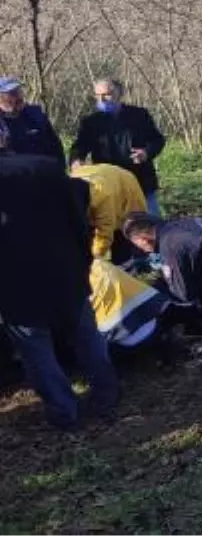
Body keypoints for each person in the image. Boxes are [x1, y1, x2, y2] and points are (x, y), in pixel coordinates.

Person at [0, 151, 120, 430]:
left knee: (36, 352)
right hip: (65, 268)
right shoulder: (45, 165)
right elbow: (79, 215)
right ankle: (107, 392)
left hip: (15, 282)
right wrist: (83, 258)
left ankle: (65, 412)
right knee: (86, 334)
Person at [70, 78, 167, 216]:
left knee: (149, 224)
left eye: (107, 95)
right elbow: (80, 146)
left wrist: (146, 153)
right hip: (108, 181)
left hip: (141, 180)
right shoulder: (91, 122)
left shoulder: (139, 115)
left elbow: (157, 140)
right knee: (112, 225)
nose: (102, 100)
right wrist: (76, 160)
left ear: (120, 94)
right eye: (98, 96)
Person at [70, 163, 148, 264]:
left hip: (124, 185)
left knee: (129, 229)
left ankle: (133, 264)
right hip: (99, 176)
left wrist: (92, 261)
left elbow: (104, 234)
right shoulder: (63, 193)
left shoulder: (103, 197)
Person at [0, 76, 66, 166]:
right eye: (12, 93)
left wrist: (60, 170)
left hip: (43, 172)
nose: (18, 97)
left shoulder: (36, 116)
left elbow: (55, 146)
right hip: (13, 175)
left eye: (19, 92)